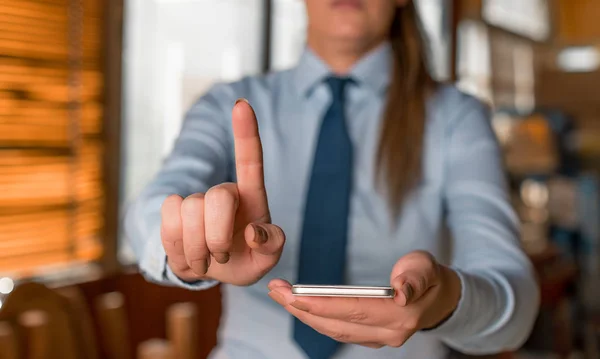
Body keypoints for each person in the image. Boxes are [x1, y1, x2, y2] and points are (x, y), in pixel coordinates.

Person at [124, 0, 540, 358]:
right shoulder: (227, 105)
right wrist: (189, 239)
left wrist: (447, 300)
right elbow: (148, 210)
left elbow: (515, 306)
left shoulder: (457, 117)